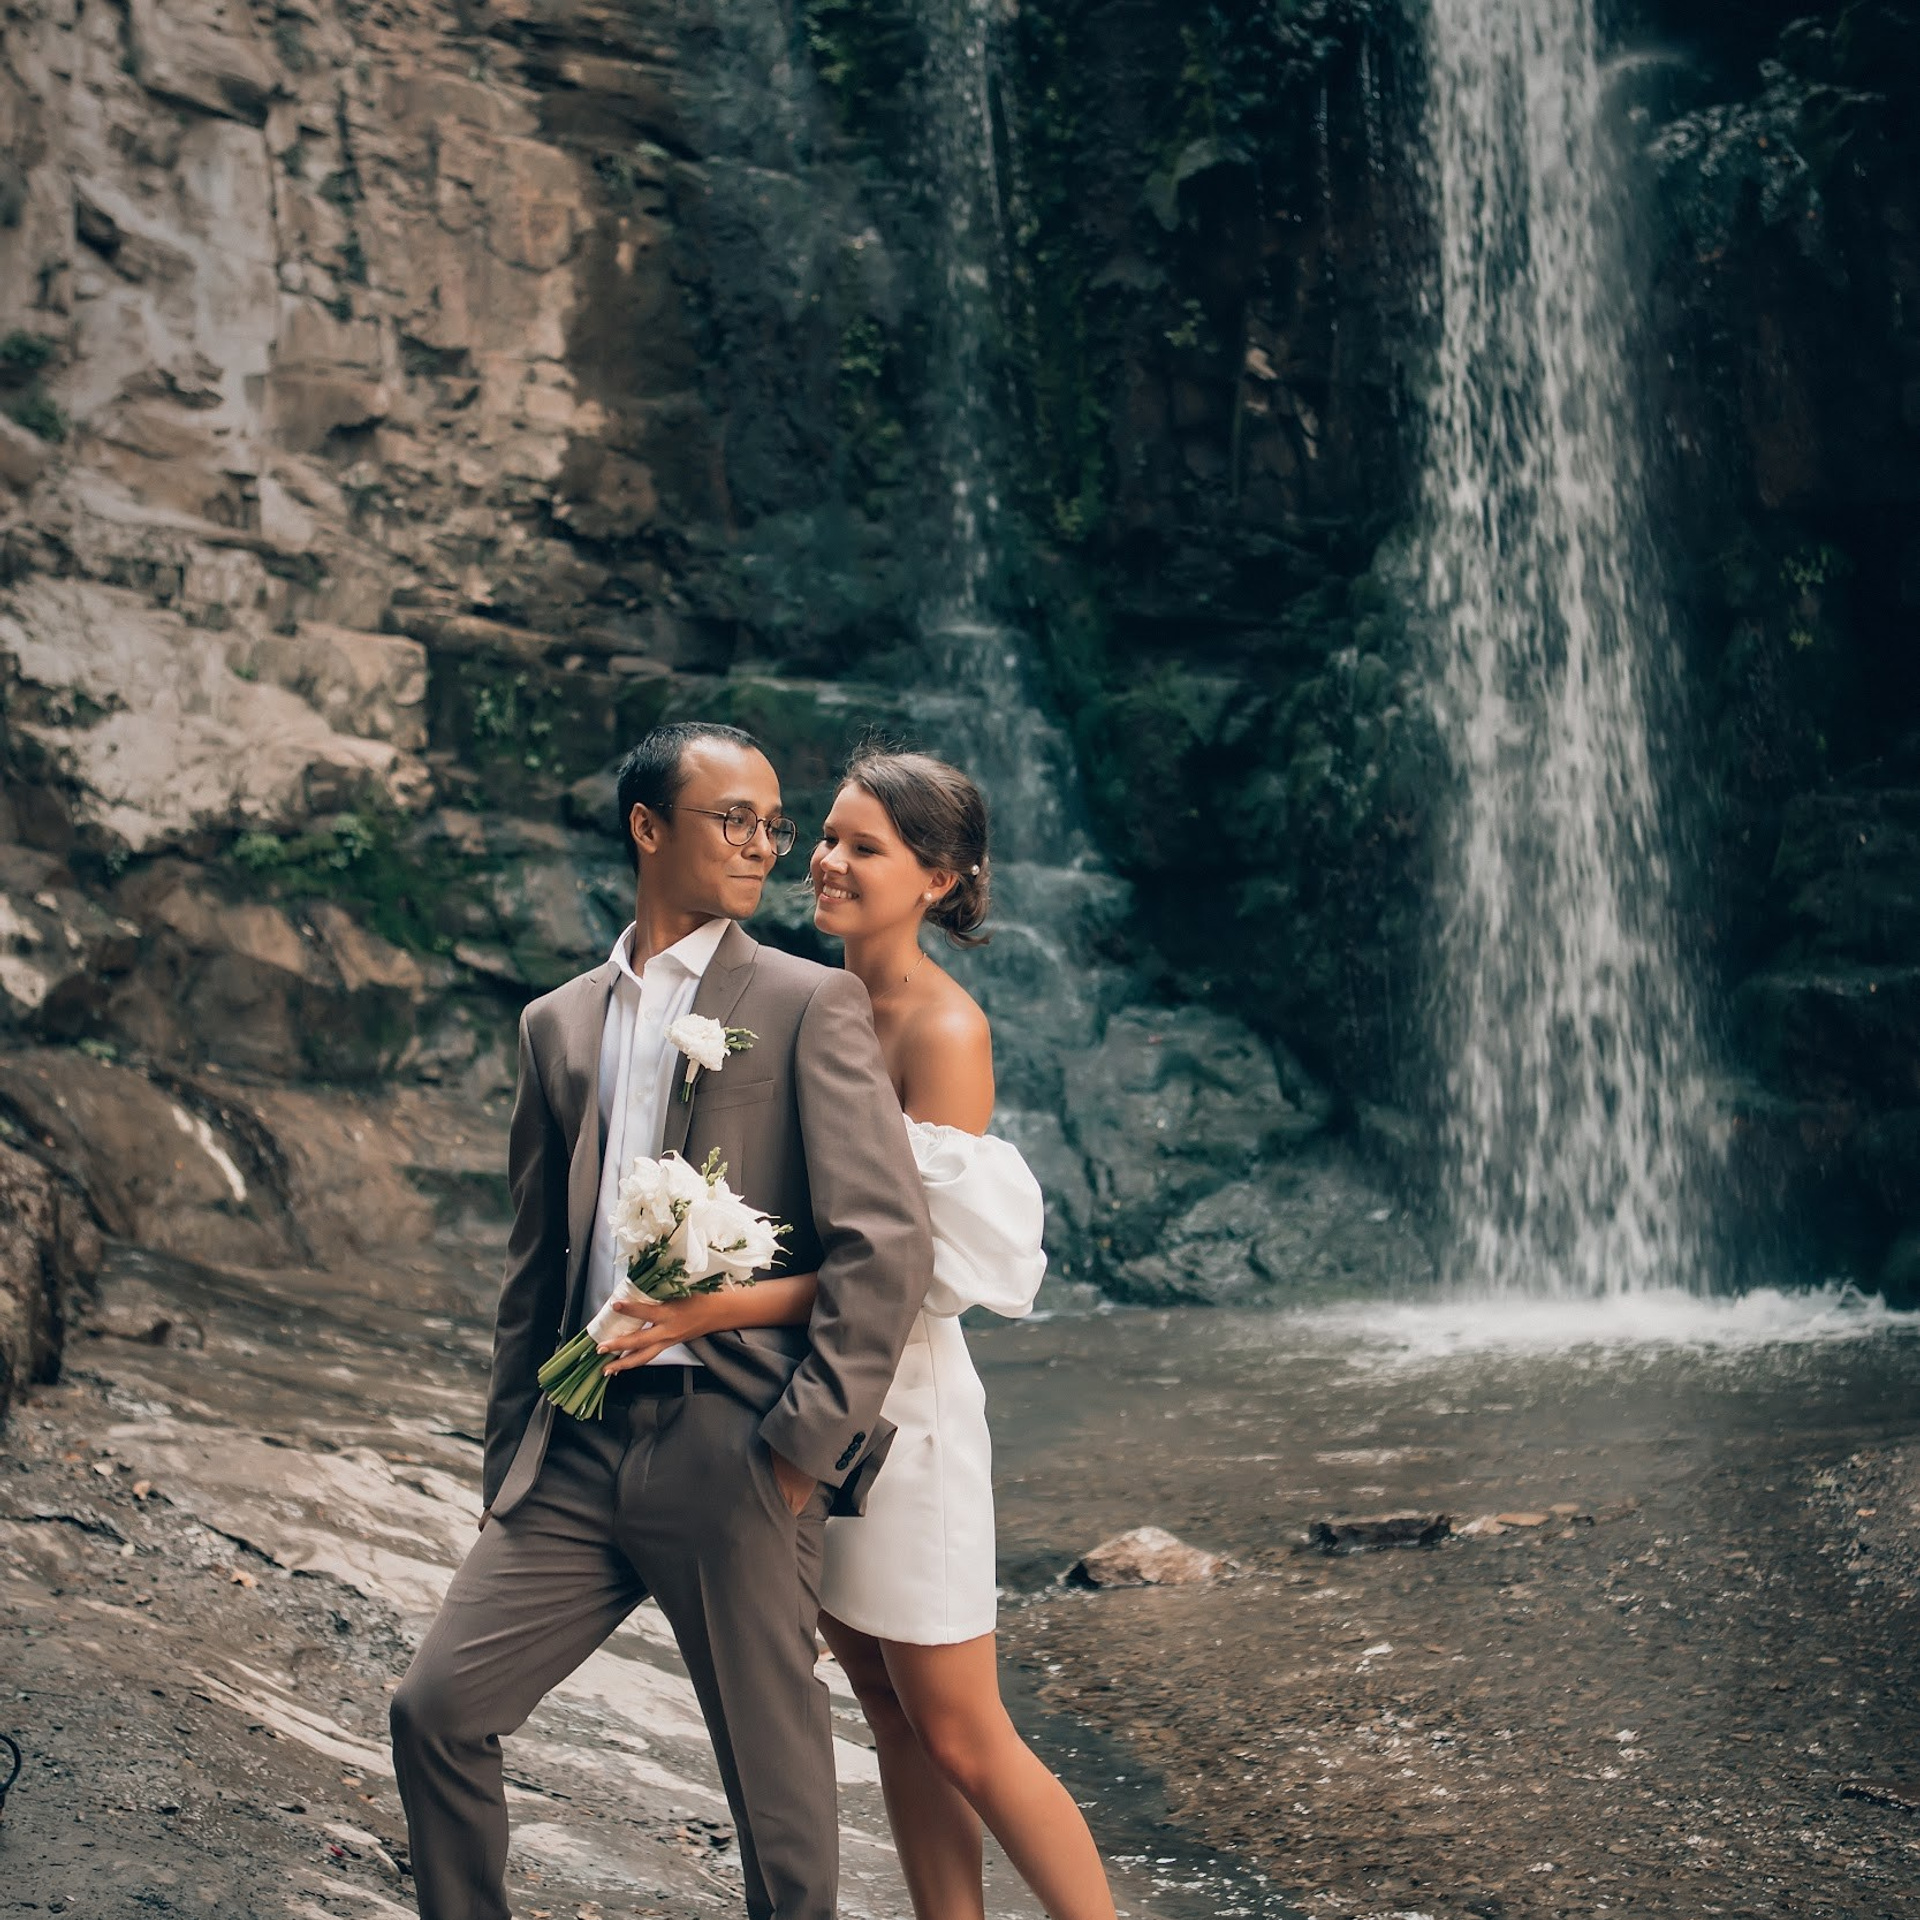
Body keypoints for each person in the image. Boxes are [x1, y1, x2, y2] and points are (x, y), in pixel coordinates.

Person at [389, 722, 934, 1920]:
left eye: (773, 824)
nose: (764, 846)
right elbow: (537, 1269)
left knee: (781, 1818)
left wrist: (797, 1453)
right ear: (649, 829)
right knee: (436, 1711)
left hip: (731, 1445)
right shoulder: (556, 1023)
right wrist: (506, 1464)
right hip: (576, 1448)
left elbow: (884, 1246)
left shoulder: (805, 1002)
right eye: (733, 819)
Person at [598, 747, 1118, 1920]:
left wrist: (709, 1305)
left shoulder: (943, 1032)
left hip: (903, 1415)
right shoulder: (792, 1000)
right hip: (808, 1403)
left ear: (939, 878)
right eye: (823, 837)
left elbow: (896, 1271)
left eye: (860, 846)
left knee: (965, 1728)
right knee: (889, 1713)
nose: (824, 861)